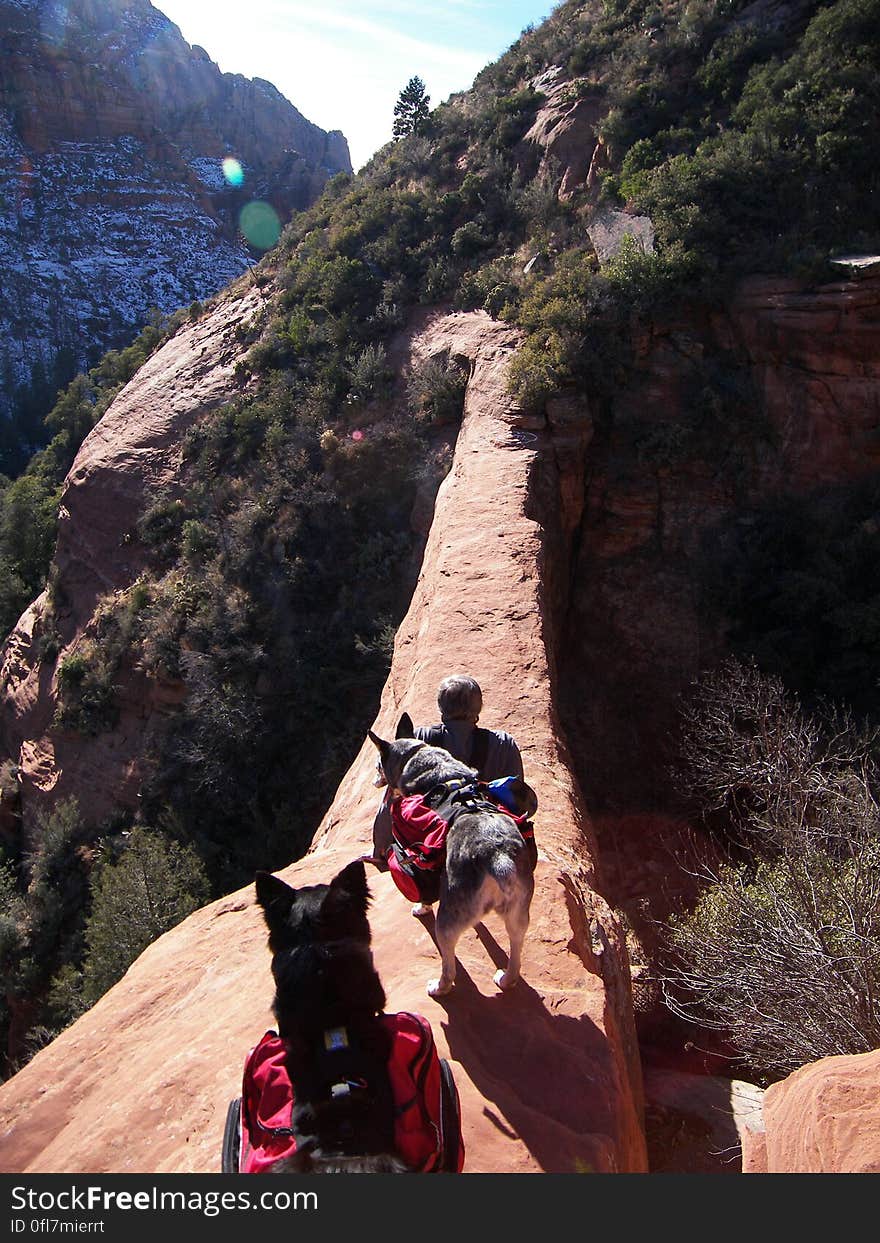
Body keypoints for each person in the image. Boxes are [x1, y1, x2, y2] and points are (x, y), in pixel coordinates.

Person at [368, 673, 526, 868]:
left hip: (434, 831)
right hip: (492, 826)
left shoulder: (421, 739)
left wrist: (381, 844)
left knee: (394, 792)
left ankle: (383, 853)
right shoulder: (503, 743)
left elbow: (389, 788)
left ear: (441, 706)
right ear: (479, 706)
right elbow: (518, 797)